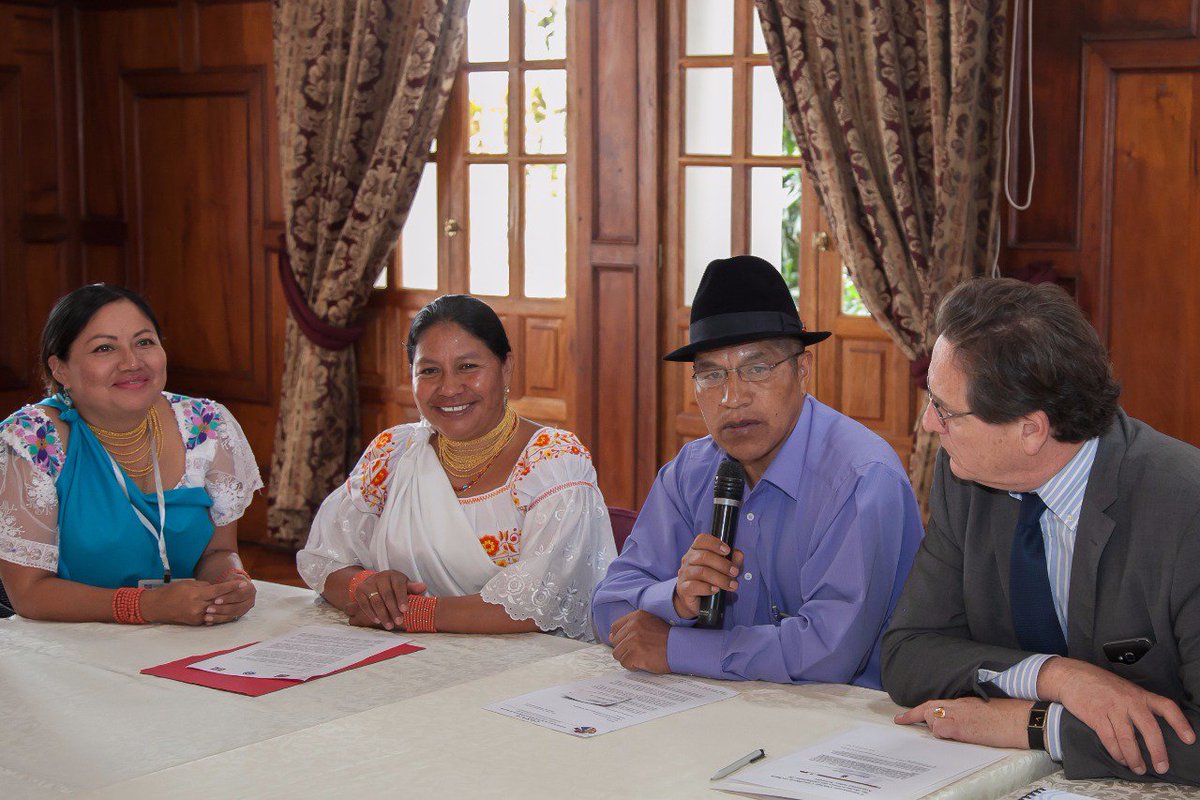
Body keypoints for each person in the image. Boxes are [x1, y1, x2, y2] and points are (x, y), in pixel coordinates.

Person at [883, 278, 1200, 784]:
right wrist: (1058, 678)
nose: (928, 425)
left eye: (945, 410)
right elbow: (908, 653)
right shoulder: (964, 476)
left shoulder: (1185, 508)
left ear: (1031, 429)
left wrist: (1040, 725)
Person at [591, 255, 923, 685]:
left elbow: (829, 653)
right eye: (711, 375)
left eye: (757, 369)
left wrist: (675, 647)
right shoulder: (689, 472)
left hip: (843, 713)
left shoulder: (860, 479)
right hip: (716, 705)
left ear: (802, 370)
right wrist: (674, 599)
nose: (732, 397)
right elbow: (608, 605)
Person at [298, 294, 614, 641]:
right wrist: (369, 588)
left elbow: (541, 600)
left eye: (467, 367)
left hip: (523, 665)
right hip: (400, 655)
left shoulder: (553, 461)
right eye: (429, 371)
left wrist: (411, 612)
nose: (449, 388)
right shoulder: (393, 453)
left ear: (506, 367)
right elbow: (323, 560)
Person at [0, 284, 262, 625]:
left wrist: (230, 584)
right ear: (60, 369)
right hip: (66, 638)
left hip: (182, 629)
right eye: (104, 348)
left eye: (144, 342)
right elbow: (28, 593)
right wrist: (146, 606)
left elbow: (218, 551)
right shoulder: (33, 439)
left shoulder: (206, 426)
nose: (132, 362)